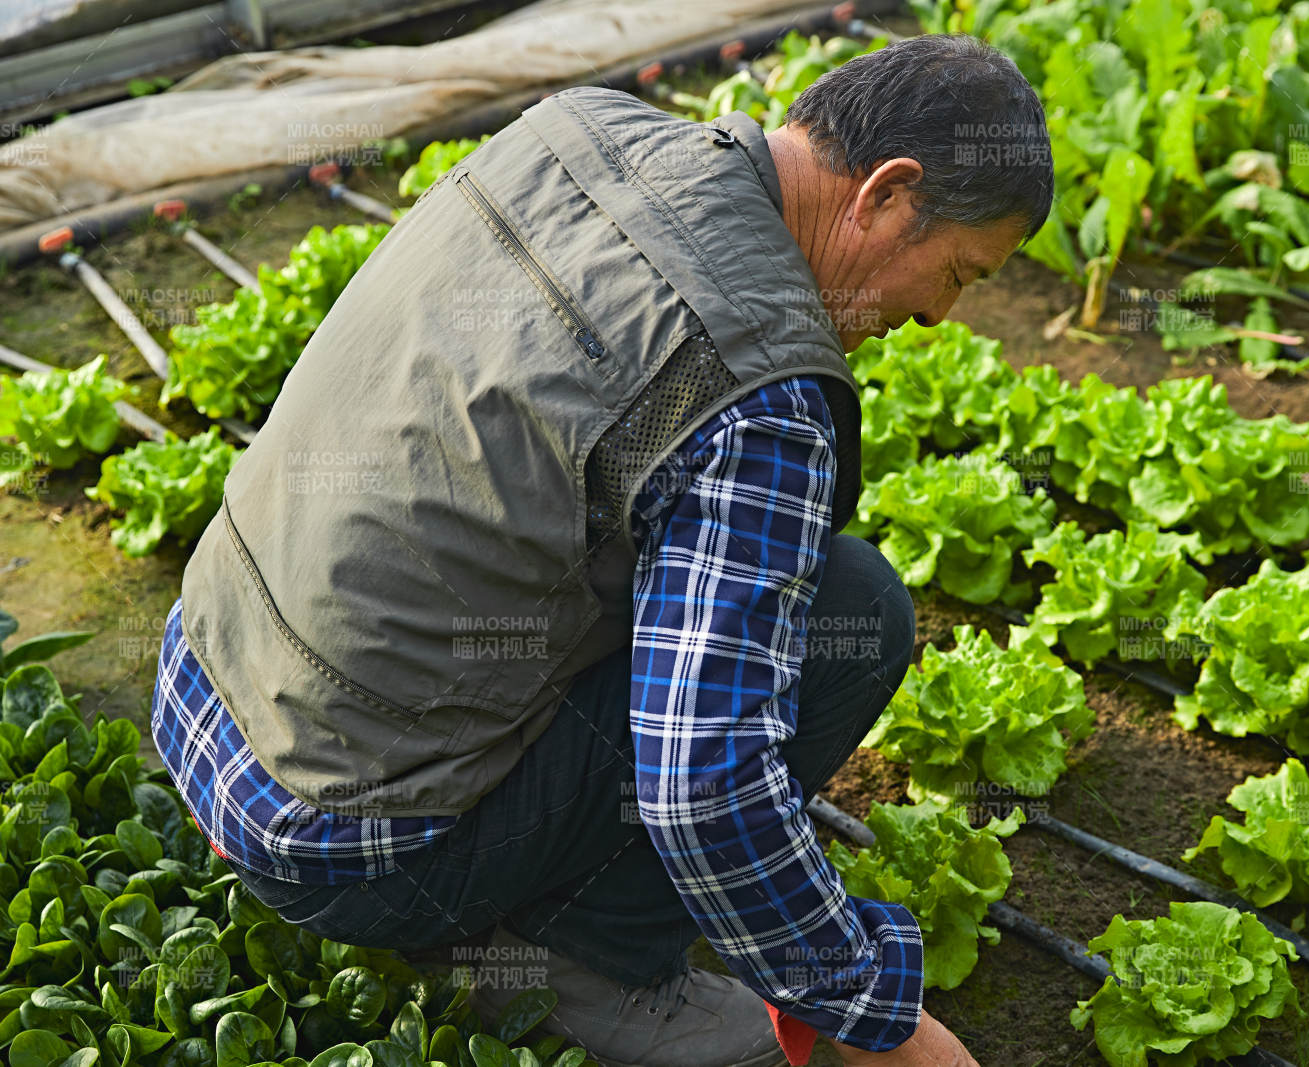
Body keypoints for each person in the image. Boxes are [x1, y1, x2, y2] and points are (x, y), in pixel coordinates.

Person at [152, 32, 1052, 1067]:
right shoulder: (759, 390)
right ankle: (591, 960)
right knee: (853, 613)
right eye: (956, 274)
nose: (938, 315)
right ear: (887, 195)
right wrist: (873, 1013)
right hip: (346, 847)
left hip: (208, 695)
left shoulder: (576, 128)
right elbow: (702, 786)